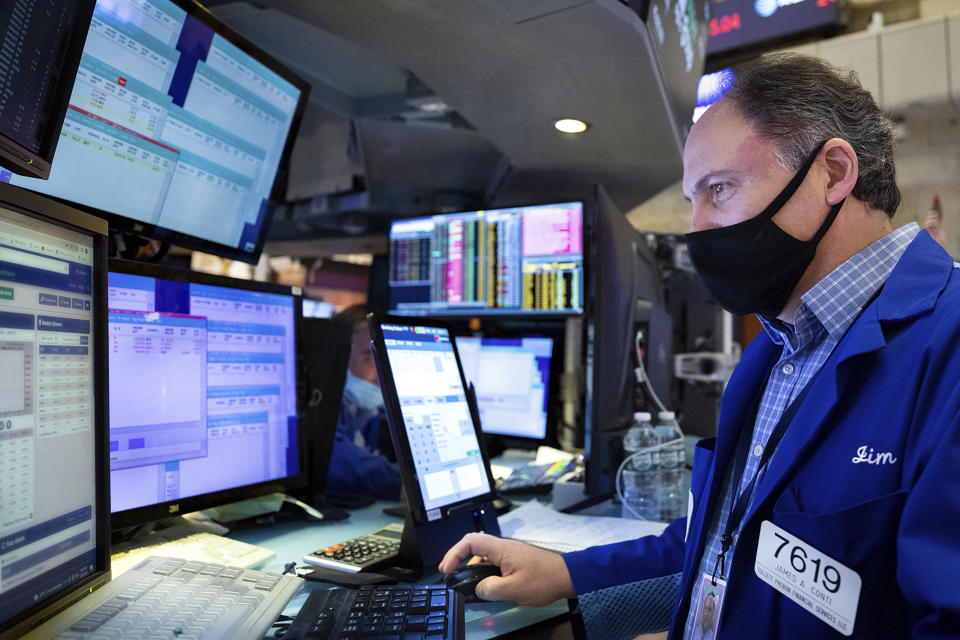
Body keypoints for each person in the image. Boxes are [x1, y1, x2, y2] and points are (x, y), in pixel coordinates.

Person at [440, 53, 960, 638]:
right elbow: (724, 533)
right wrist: (567, 570)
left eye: (719, 189)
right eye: (693, 199)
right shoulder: (777, 350)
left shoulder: (948, 346)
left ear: (834, 173)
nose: (697, 228)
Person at [325, 303, 402, 500]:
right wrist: (413, 487)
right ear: (338, 355)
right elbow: (344, 463)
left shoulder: (366, 409)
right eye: (370, 358)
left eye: (386, 359)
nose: (381, 373)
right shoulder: (319, 405)